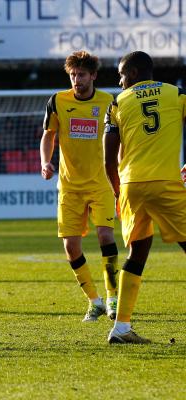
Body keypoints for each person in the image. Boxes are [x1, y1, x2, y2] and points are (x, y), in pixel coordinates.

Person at [103, 51, 186, 344]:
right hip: (166, 183)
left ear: (135, 73)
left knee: (137, 253)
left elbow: (108, 160)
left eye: (122, 75)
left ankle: (121, 328)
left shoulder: (117, 103)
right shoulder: (177, 95)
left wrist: (118, 191)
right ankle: (122, 329)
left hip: (131, 186)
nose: (120, 80)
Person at [40, 50, 120, 322]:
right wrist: (45, 162)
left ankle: (112, 298)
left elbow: (119, 139)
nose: (77, 79)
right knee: (71, 247)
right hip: (70, 186)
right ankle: (94, 301)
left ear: (93, 75)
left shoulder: (109, 102)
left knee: (105, 237)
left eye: (82, 75)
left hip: (101, 183)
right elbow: (48, 135)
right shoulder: (57, 101)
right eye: (73, 75)